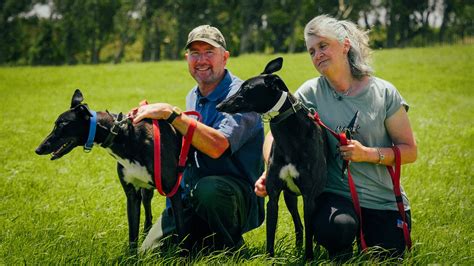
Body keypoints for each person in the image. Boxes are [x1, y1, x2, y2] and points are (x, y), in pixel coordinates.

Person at [254, 15, 417, 259]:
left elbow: (410, 151)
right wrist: (271, 170)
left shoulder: (384, 92)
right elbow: (274, 134)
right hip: (335, 195)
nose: (316, 55)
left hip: (381, 199)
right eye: (311, 51)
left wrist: (368, 155)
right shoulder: (310, 92)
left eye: (323, 46)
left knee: (389, 254)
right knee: (334, 231)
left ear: (345, 45)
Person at [131, 25, 265, 253]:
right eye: (195, 53)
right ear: (187, 58)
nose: (201, 60)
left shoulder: (244, 96)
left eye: (209, 52)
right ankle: (204, 241)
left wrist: (172, 114)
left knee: (209, 190)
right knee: (149, 254)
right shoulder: (193, 94)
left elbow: (217, 146)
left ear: (225, 57)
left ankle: (231, 248)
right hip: (189, 196)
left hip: (232, 196)